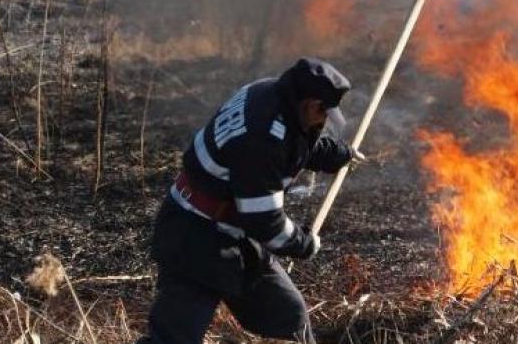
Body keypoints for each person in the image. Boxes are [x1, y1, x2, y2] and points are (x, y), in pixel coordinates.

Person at [141, 58, 363, 343]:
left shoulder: (272, 93)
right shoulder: (261, 138)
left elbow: (296, 140)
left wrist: (338, 154)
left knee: (289, 318)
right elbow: (265, 221)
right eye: (323, 112)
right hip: (196, 237)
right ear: (310, 103)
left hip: (237, 234)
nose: (323, 121)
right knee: (174, 338)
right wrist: (304, 243)